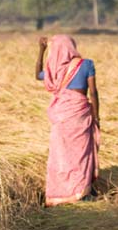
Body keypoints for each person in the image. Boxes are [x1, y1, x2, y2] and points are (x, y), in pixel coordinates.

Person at [35, 34, 100, 206]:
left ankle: (59, 195)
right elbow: (93, 93)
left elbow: (37, 74)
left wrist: (41, 51)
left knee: (61, 154)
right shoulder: (86, 64)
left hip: (61, 115)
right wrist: (96, 116)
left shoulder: (54, 70)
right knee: (81, 152)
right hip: (79, 113)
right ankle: (81, 191)